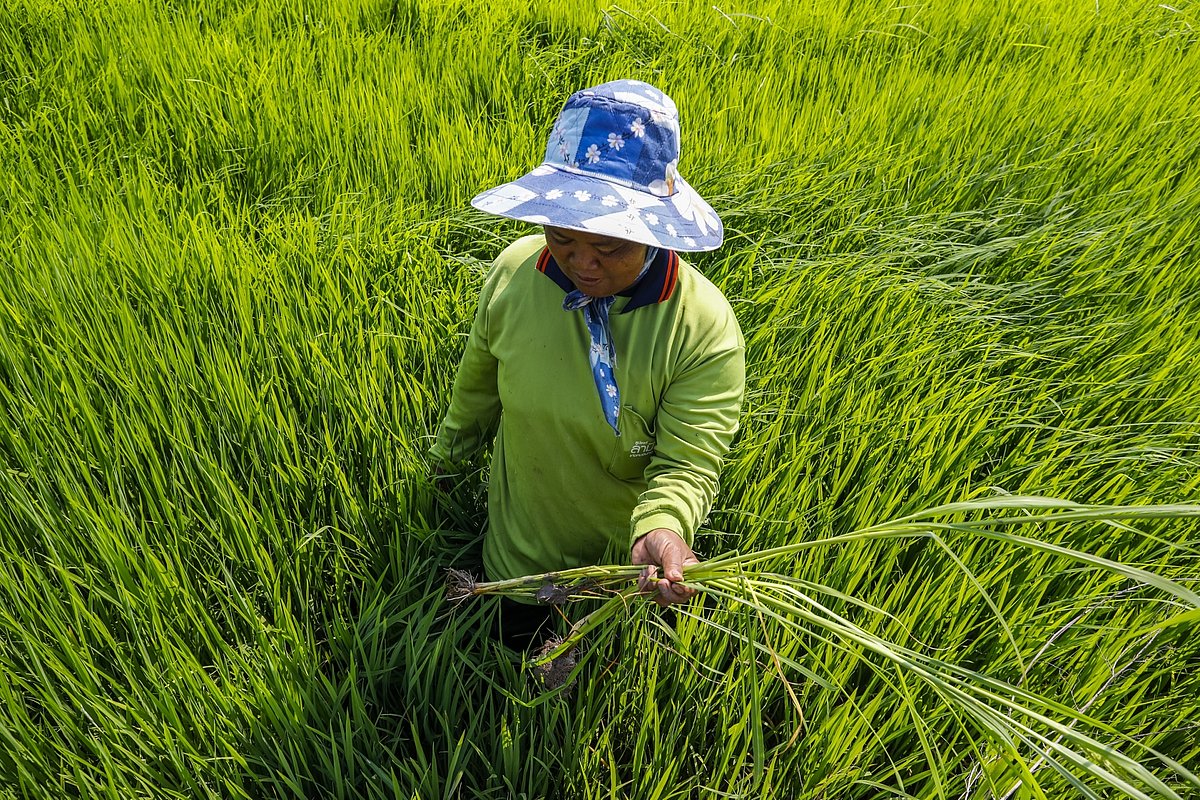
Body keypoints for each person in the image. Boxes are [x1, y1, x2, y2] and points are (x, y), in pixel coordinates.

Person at [429, 79, 745, 649]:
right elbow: (476, 388)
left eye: (611, 247)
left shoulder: (702, 328)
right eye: (563, 237)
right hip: (517, 556)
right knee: (511, 677)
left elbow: (687, 463)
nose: (583, 265)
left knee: (609, 698)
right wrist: (443, 466)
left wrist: (663, 530)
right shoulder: (515, 274)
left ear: (652, 233)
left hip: (627, 565)